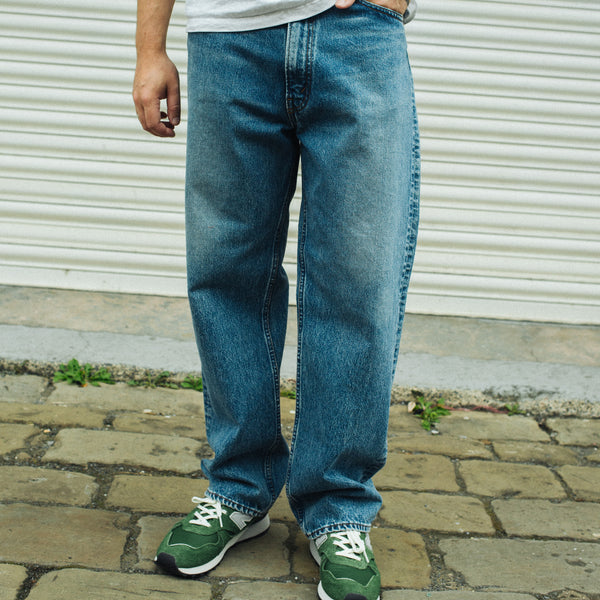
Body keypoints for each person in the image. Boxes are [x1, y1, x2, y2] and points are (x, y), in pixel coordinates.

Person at [133, 0, 420, 598]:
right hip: (230, 39)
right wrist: (149, 48)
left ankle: (339, 507)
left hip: (357, 37)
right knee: (226, 272)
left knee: (358, 281)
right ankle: (239, 486)